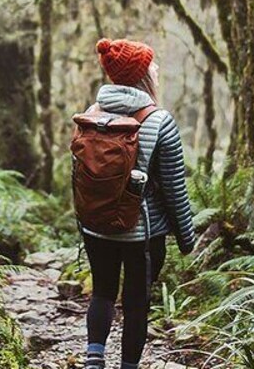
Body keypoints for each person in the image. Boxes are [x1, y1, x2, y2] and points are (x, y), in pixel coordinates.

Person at [79, 38, 196, 369]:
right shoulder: (160, 121)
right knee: (135, 303)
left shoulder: (91, 114)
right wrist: (187, 239)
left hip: (96, 228)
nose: (157, 68)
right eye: (151, 64)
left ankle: (94, 359)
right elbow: (175, 188)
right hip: (141, 233)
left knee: (102, 291)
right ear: (142, 75)